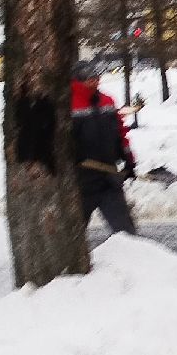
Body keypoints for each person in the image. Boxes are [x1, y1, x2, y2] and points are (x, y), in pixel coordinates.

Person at [70, 62, 139, 236]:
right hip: (80, 182)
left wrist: (128, 159)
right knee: (72, 236)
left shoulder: (107, 101)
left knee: (126, 233)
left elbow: (120, 132)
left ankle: (134, 260)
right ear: (78, 81)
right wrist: (71, 157)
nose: (96, 81)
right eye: (90, 78)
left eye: (96, 78)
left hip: (108, 178)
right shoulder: (67, 104)